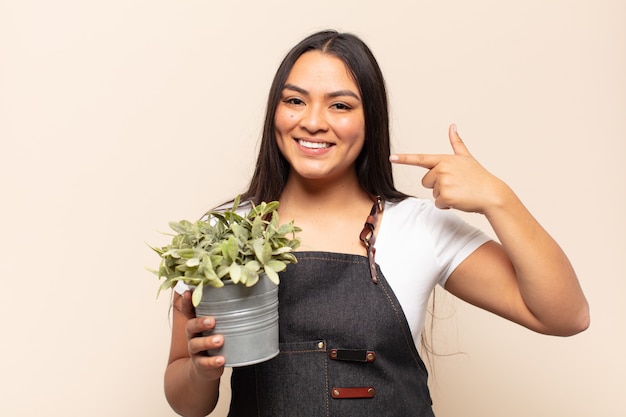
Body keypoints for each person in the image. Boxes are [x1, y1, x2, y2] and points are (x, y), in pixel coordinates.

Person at [163, 30, 589, 417]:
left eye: (340, 105)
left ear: (371, 121)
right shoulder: (222, 235)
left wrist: (500, 199)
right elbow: (187, 402)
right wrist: (202, 372)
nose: (312, 121)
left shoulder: (419, 227)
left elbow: (565, 316)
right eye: (295, 100)